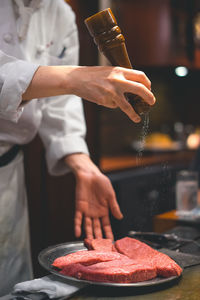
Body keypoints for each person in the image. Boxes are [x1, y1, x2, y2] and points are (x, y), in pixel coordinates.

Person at [0, 0, 155, 295]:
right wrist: (73, 77)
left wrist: (83, 165)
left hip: (9, 177)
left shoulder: (58, 11)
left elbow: (58, 103)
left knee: (11, 287)